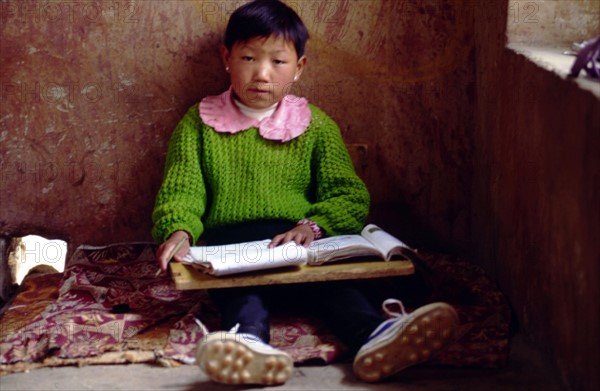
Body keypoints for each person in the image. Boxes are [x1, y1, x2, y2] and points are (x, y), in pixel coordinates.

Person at [152, 0, 458, 386]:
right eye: (248, 57)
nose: (262, 73)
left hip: (300, 247)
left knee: (338, 290)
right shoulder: (198, 124)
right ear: (226, 58)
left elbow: (347, 195)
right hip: (234, 251)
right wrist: (179, 229)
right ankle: (248, 346)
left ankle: (377, 336)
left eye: (278, 62)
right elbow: (182, 190)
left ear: (299, 68)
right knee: (243, 301)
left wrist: (312, 227)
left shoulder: (316, 126)